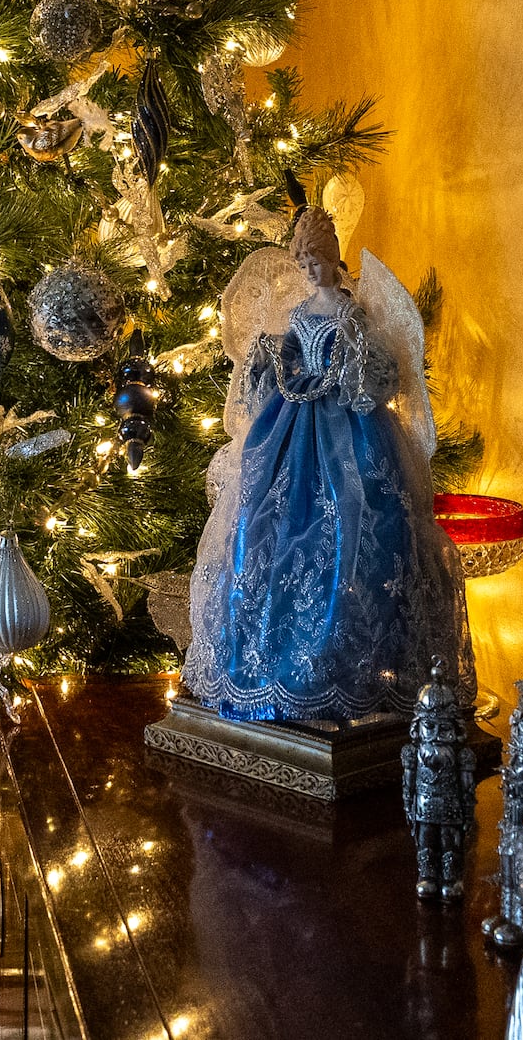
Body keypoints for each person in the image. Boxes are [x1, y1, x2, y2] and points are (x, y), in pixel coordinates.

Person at [184, 205, 475, 722]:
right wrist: (270, 355)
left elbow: (384, 373)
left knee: (361, 528)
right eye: (304, 261)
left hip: (350, 428)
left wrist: (350, 360)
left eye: (318, 260)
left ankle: (358, 669)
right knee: (263, 527)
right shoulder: (299, 313)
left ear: (334, 257)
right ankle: (263, 670)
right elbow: (289, 359)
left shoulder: (352, 312)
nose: (311, 270)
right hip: (290, 427)